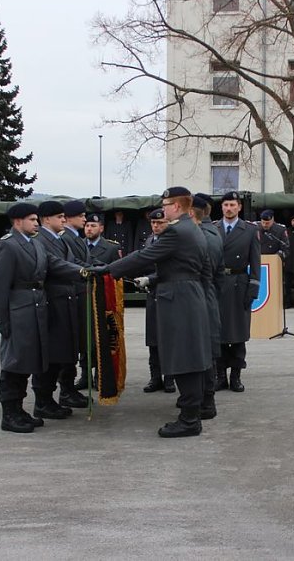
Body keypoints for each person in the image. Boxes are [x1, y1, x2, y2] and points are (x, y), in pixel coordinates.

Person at [104, 187, 212, 438]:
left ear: (176, 206)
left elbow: (145, 255)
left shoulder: (176, 230)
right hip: (190, 295)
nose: (162, 209)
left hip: (178, 298)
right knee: (191, 357)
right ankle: (191, 414)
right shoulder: (193, 228)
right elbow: (203, 270)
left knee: (183, 358)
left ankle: (189, 419)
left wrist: (108, 270)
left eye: (165, 204)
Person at [0, 202, 94, 433]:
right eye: (32, 219)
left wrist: (83, 271)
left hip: (35, 308)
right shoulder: (8, 245)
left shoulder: (33, 244)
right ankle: (10, 413)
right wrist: (2, 320)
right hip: (18, 311)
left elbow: (53, 263)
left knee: (28, 362)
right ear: (18, 222)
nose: (36, 223)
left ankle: (19, 410)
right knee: (14, 363)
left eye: (37, 219)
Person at [35, 201, 88, 411]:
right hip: (52, 301)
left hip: (66, 300)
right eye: (59, 217)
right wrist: (84, 272)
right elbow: (56, 264)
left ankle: (62, 392)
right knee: (52, 353)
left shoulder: (60, 239)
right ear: (47, 219)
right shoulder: (41, 240)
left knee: (66, 350)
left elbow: (74, 261)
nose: (63, 220)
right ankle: (44, 400)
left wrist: (98, 268)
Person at [215, 191, 261, 393]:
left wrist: (253, 288)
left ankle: (236, 376)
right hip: (217, 285)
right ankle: (220, 376)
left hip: (239, 284)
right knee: (218, 334)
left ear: (239, 207)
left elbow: (255, 262)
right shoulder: (214, 228)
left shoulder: (250, 230)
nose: (229, 208)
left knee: (238, 335)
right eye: (226, 205)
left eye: (233, 205)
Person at [74, 212, 122, 391]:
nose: (89, 228)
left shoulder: (110, 248)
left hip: (101, 299)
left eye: (93, 226)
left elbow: (116, 273)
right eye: (87, 225)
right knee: (84, 339)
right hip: (82, 296)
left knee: (99, 339)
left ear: (101, 228)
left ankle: (99, 376)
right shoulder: (77, 245)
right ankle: (85, 375)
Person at [191, 194, 224, 420]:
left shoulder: (200, 235)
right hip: (208, 296)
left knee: (202, 353)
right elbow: (219, 275)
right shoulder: (214, 232)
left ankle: (205, 402)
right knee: (207, 351)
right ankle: (205, 400)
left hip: (197, 298)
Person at [135, 208, 175, 394]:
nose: (157, 226)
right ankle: (155, 377)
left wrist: (150, 278)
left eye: (160, 223)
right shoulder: (150, 241)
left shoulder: (173, 241)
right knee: (153, 338)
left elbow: (168, 270)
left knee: (168, 338)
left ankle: (169, 378)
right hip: (152, 294)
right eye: (153, 223)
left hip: (168, 293)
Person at [58, 200, 93, 408]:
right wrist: (94, 269)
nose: (85, 219)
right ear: (69, 217)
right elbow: (73, 264)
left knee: (78, 342)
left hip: (81, 293)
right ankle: (66, 389)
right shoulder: (66, 238)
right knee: (70, 344)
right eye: (81, 216)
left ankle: (69, 389)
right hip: (73, 294)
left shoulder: (75, 237)